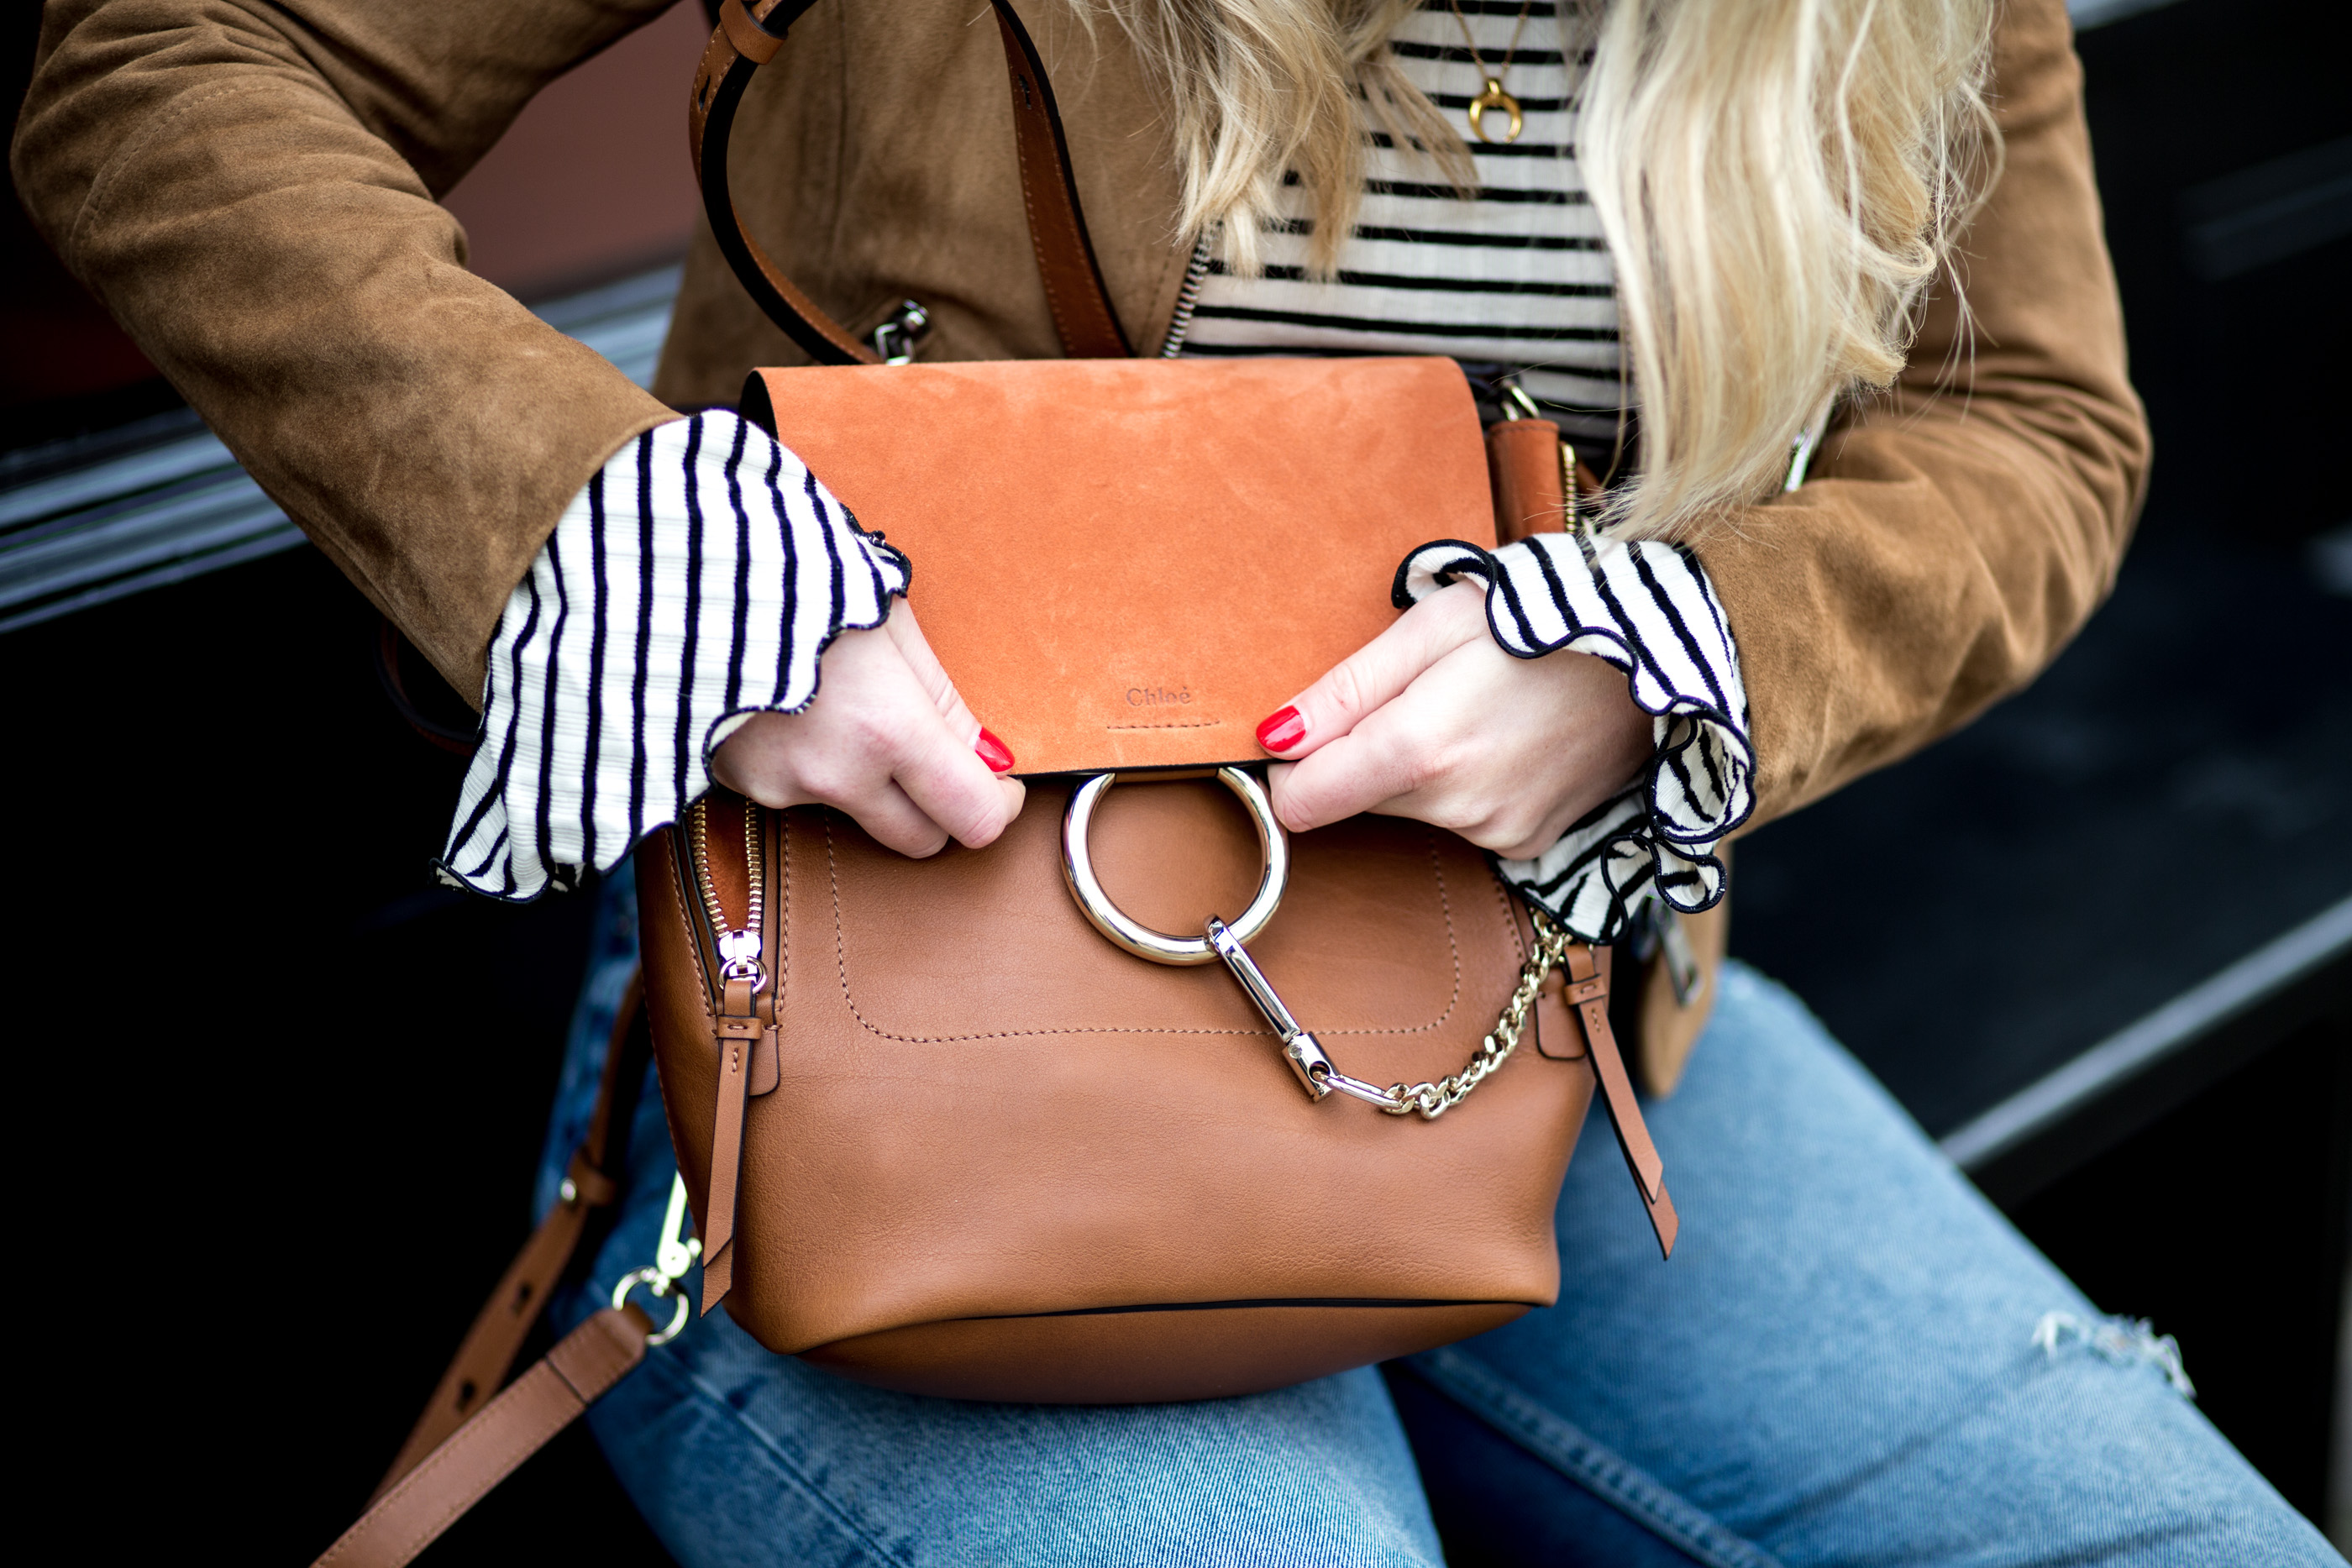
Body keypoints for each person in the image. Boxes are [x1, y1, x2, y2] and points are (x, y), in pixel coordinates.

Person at [16, 0, 2342, 1562]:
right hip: (881, 1064)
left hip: (1571, 1005)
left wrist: (1675, 658)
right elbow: (175, 60)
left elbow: (2029, 426)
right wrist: (621, 534)